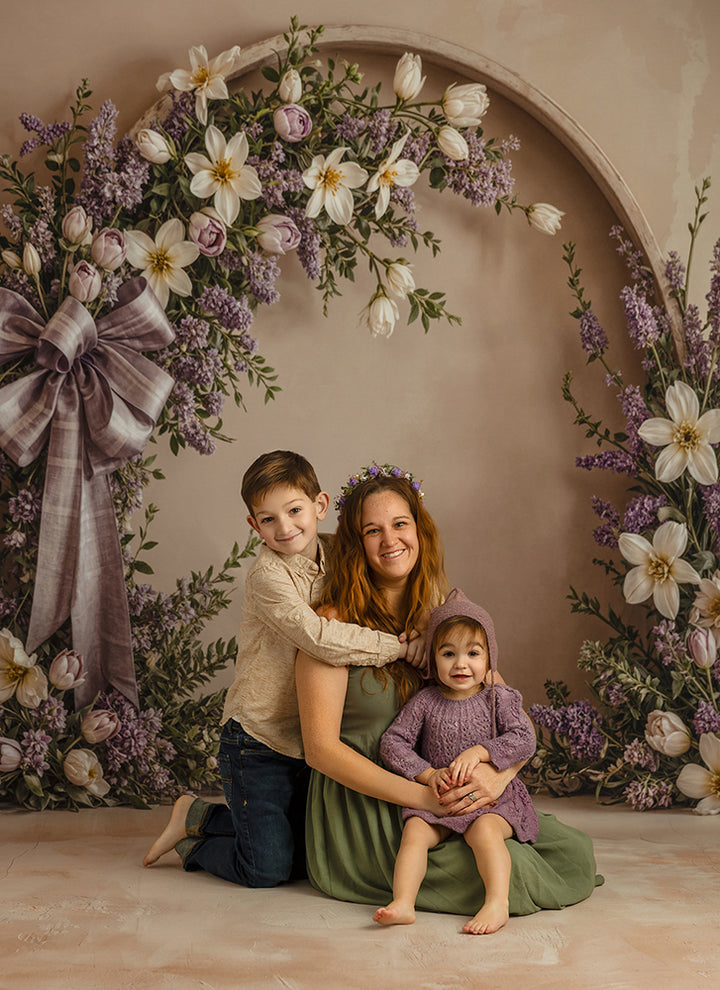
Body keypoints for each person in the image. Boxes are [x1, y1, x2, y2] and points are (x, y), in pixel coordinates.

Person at [296, 463, 602, 923]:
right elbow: (320, 751)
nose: (390, 540)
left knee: (573, 852)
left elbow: (512, 717)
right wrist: (420, 798)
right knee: (511, 873)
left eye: (400, 524)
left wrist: (497, 778)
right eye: (372, 531)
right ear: (355, 545)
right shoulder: (331, 625)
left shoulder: (444, 619)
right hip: (368, 801)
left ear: (420, 529)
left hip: (450, 791)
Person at [143, 450, 422, 887]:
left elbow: (378, 586)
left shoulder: (338, 554)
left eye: (294, 511)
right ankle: (194, 827)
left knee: (306, 857)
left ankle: (216, 821)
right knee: (267, 869)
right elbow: (319, 638)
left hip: (308, 734)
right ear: (254, 526)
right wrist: (399, 648)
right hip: (259, 738)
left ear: (321, 506)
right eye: (268, 519)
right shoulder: (267, 578)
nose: (286, 527)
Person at [375, 588, 539, 934]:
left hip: (492, 800)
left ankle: (497, 903)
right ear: (433, 660)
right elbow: (392, 742)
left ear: (490, 659)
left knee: (484, 832)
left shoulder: (499, 698)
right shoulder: (425, 701)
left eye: (473, 653)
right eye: (448, 653)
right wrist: (426, 773)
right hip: (440, 798)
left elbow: (525, 738)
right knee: (415, 832)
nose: (461, 664)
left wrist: (483, 752)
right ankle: (404, 902)